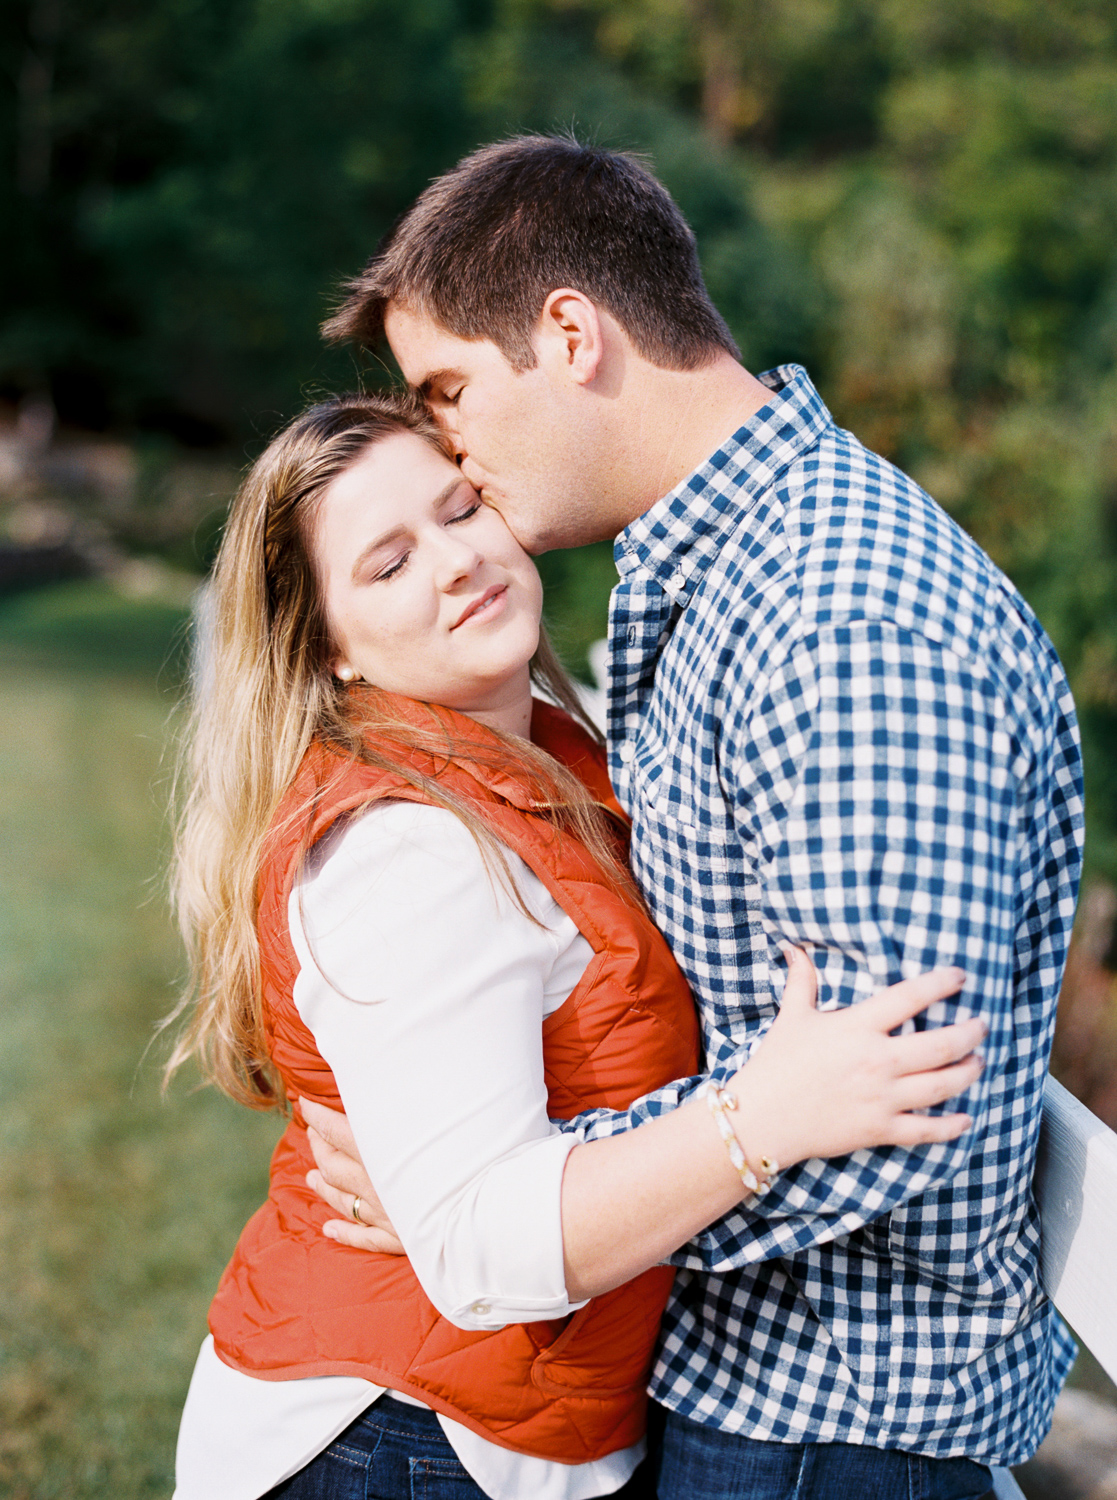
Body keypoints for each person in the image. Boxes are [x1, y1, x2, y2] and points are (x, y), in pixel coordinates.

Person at [308, 134, 1086, 1499]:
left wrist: (513, 1208)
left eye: (451, 392)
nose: (455, 454)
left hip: (831, 1425)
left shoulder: (842, 617)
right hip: (754, 1392)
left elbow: (878, 1119)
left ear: (569, 334)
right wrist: (487, 1190)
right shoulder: (726, 574)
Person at [168, 391, 985, 1500]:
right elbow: (475, 1250)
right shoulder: (413, 850)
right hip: (397, 1440)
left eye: (461, 510)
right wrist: (766, 1120)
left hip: (501, 1428)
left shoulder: (559, 766)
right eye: (389, 563)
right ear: (330, 653)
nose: (456, 561)